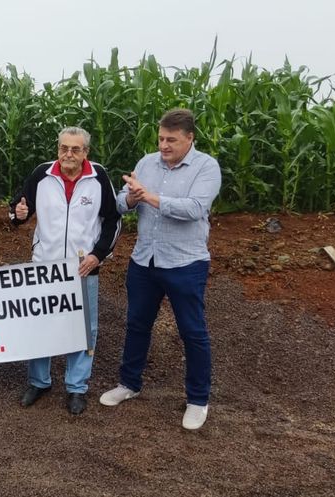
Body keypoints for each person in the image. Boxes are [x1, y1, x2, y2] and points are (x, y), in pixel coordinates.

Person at [99, 108, 222, 430]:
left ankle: (197, 400)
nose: (164, 145)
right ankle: (129, 384)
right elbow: (121, 202)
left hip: (186, 263)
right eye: (161, 139)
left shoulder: (206, 167)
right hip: (144, 260)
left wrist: (149, 196)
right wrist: (131, 198)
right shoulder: (146, 163)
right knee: (137, 324)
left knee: (192, 332)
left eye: (172, 140)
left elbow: (195, 209)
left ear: (190, 138)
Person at [9, 126, 121, 415]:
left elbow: (113, 220)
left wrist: (98, 255)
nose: (68, 154)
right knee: (39, 323)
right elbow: (18, 208)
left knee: (83, 327)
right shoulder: (42, 174)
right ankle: (39, 381)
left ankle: (76, 386)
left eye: (75, 149)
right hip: (45, 266)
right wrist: (18, 215)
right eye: (63, 148)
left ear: (86, 152)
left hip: (82, 267)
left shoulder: (98, 177)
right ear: (57, 148)